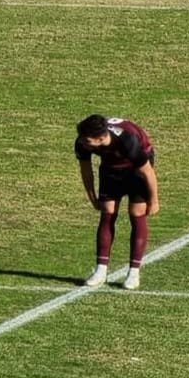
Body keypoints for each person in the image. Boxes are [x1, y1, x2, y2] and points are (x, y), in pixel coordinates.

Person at [75, 114, 158, 290]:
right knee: (107, 211)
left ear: (101, 138)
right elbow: (86, 170)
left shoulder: (128, 141)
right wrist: (92, 197)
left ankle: (134, 273)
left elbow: (147, 172)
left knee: (136, 213)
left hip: (136, 170)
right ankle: (100, 270)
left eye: (88, 140)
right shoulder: (82, 142)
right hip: (111, 169)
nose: (83, 143)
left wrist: (154, 200)